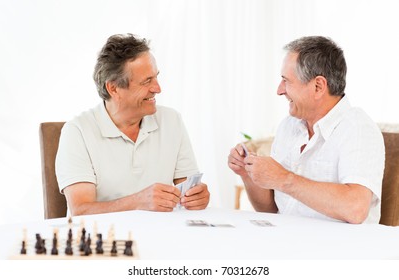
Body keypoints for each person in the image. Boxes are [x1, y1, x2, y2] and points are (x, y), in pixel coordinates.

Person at [228, 36, 385, 224]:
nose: (279, 90)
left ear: (318, 86)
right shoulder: (289, 126)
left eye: (286, 81)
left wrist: (284, 179)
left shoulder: (357, 128)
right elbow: (270, 209)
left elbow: (355, 208)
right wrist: (248, 174)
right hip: (288, 241)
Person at [56, 33, 210, 216]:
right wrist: (138, 201)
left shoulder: (172, 120)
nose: (157, 88)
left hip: (163, 233)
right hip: (107, 239)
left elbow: (188, 190)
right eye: (147, 81)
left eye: (156, 77)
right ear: (113, 88)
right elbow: (81, 210)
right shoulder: (77, 132)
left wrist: (197, 197)